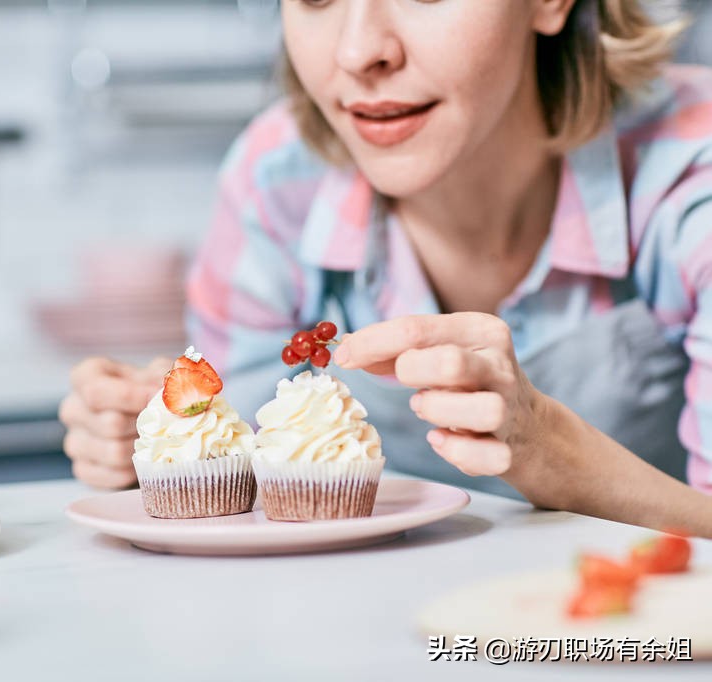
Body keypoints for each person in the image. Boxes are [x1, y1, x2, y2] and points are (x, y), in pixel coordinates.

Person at [59, 0, 712, 537]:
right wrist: (156, 444)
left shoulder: (691, 168)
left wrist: (551, 451)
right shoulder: (274, 177)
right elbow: (242, 478)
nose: (357, 52)